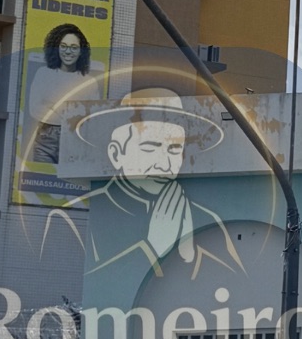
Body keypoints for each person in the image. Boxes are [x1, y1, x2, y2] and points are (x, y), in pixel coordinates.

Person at [42, 89, 242, 278]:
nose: (164, 164)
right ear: (116, 153)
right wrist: (155, 250)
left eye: (174, 149)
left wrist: (189, 256)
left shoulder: (205, 218)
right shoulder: (69, 220)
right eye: (150, 147)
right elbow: (88, 290)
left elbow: (234, 289)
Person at [25, 23, 103, 164]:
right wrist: (72, 113)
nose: (68, 52)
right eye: (63, 46)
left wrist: (52, 107)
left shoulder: (89, 81)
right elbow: (35, 109)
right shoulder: (43, 74)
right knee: (40, 180)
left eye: (74, 48)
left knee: (68, 184)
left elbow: (92, 117)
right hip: (45, 141)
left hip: (75, 142)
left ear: (81, 52)